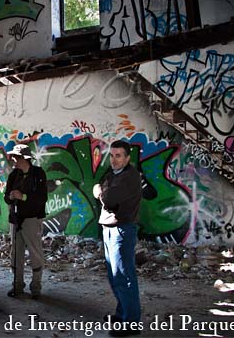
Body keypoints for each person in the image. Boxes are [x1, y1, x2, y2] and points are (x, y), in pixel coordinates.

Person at [94, 140, 142, 337]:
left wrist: (98, 190)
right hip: (111, 228)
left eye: (118, 156)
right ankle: (122, 314)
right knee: (115, 277)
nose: (114, 160)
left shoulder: (128, 177)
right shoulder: (115, 174)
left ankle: (130, 324)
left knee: (124, 277)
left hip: (121, 230)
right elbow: (109, 196)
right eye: (112, 155)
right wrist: (104, 191)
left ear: (127, 158)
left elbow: (109, 199)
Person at [4, 144, 47, 299]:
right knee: (16, 254)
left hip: (32, 220)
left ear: (25, 159)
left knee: (35, 254)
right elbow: (6, 197)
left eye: (16, 157)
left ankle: (36, 288)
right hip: (15, 220)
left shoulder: (38, 174)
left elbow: (42, 198)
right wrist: (10, 196)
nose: (13, 160)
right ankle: (17, 286)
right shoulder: (13, 175)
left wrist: (23, 197)